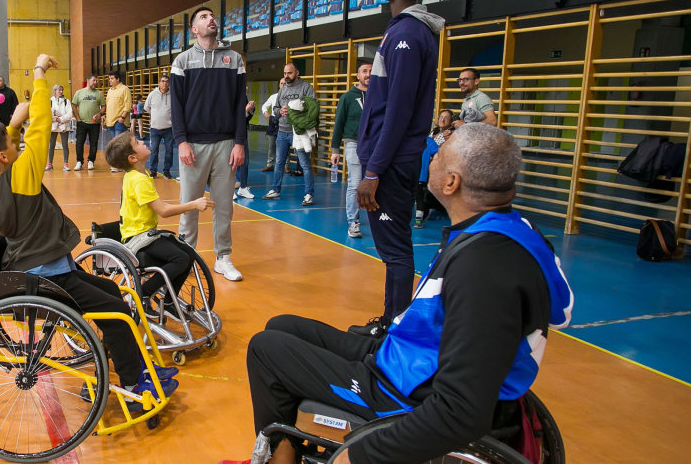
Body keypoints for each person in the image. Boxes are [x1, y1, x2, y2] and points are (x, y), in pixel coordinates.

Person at [222, 123, 572, 464]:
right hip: (412, 359)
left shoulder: (483, 267)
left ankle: (280, 457)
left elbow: (461, 411)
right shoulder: (511, 229)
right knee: (281, 325)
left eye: (437, 157)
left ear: (452, 183)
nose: (429, 158)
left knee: (265, 349)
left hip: (407, 391)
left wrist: (359, 454)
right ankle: (284, 450)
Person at [0, 54, 178, 402]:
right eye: (13, 144)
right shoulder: (22, 175)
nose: (18, 144)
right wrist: (41, 72)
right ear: (4, 156)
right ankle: (136, 383)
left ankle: (130, 362)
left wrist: (11, 128)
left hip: (34, 268)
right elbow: (43, 124)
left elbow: (2, 151)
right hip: (49, 276)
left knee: (111, 290)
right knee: (118, 312)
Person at [352, 0, 446, 337]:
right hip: (389, 159)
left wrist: (373, 170)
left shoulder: (408, 34)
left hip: (390, 163)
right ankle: (392, 323)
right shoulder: (401, 30)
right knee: (393, 250)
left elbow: (399, 112)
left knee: (395, 250)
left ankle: (395, 331)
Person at [170, 6, 248, 282]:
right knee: (190, 205)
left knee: (224, 206)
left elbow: (240, 105)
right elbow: (176, 106)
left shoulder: (234, 59)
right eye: (203, 17)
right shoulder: (182, 61)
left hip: (226, 144)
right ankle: (186, 255)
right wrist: (181, 141)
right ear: (194, 29)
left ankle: (223, 257)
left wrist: (239, 142)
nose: (211, 19)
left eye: (212, 16)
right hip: (192, 145)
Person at [105, 132, 211, 308]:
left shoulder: (138, 174)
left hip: (144, 234)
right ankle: (144, 293)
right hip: (138, 238)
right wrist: (193, 205)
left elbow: (157, 204)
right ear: (132, 157)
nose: (144, 143)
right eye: (138, 142)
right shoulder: (139, 180)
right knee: (180, 259)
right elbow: (163, 210)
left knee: (189, 253)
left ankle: (169, 302)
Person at [263, 62, 319, 206]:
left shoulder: (306, 88)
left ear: (297, 73)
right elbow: (275, 108)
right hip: (282, 131)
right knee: (279, 162)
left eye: (289, 73)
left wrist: (296, 110)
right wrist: (279, 111)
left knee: (305, 164)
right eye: (285, 73)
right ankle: (275, 190)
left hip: (298, 133)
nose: (286, 76)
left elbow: (313, 108)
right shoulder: (283, 90)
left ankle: (309, 195)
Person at [330, 59, 372, 239]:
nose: (368, 74)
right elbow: (338, 123)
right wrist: (335, 149)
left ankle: (378, 218)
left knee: (375, 181)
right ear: (358, 75)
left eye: (371, 71)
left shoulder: (379, 95)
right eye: (364, 71)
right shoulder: (347, 97)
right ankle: (353, 221)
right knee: (355, 183)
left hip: (374, 144)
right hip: (353, 142)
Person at [143, 74, 175, 179]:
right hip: (155, 128)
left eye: (166, 81)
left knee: (169, 150)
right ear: (159, 83)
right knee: (154, 150)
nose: (164, 83)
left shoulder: (173, 95)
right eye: (162, 81)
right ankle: (153, 171)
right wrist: (156, 115)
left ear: (169, 83)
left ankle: (167, 171)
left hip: (169, 128)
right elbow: (146, 107)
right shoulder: (152, 94)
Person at [71, 75, 106, 171]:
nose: (95, 82)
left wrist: (100, 113)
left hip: (95, 124)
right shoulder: (79, 93)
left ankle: (91, 161)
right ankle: (79, 162)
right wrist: (77, 118)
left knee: (93, 143)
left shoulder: (99, 94)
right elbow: (73, 105)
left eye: (96, 81)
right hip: (82, 123)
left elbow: (103, 106)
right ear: (88, 80)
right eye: (94, 80)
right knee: (79, 143)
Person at [414, 133, 445, 229]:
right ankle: (418, 220)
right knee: (419, 198)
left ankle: (417, 220)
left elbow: (438, 155)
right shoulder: (429, 141)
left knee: (417, 197)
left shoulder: (428, 141)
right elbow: (438, 155)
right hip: (417, 176)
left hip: (415, 175)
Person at [104, 72, 133, 162]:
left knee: (118, 144)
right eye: (109, 79)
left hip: (119, 121)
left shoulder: (125, 89)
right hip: (110, 121)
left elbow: (127, 105)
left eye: (112, 78)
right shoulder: (110, 90)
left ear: (118, 79)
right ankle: (118, 163)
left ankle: (119, 163)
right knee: (114, 144)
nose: (110, 80)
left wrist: (122, 118)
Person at [235, 89, 256, 200]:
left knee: (244, 162)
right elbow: (234, 118)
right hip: (230, 135)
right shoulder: (229, 97)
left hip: (242, 135)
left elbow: (246, 119)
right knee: (229, 163)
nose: (246, 90)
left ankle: (243, 186)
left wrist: (251, 109)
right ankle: (230, 189)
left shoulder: (243, 98)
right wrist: (245, 110)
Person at [259, 78, 285, 172]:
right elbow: (264, 106)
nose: (283, 85)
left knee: (285, 144)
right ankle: (270, 164)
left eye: (285, 83)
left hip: (285, 121)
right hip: (274, 121)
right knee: (271, 145)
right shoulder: (274, 96)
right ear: (279, 85)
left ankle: (287, 165)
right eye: (281, 83)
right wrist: (265, 112)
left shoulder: (289, 97)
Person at [47, 84, 72, 171]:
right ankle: (49, 163)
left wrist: (60, 119)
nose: (61, 91)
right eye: (59, 90)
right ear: (55, 91)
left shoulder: (66, 101)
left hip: (63, 125)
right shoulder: (50, 101)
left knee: (65, 145)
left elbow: (69, 114)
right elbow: (48, 114)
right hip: (53, 126)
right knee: (51, 145)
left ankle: (66, 164)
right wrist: (55, 119)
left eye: (62, 90)